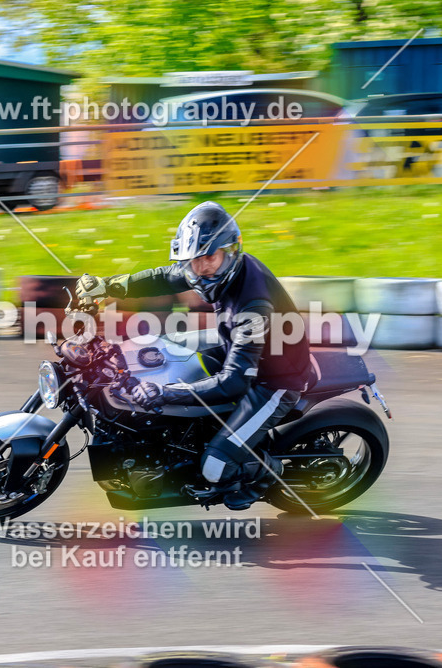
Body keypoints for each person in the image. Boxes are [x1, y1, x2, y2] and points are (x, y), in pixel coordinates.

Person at [75, 201, 317, 510]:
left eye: (209, 257)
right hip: (235, 344)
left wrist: (165, 393)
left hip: (274, 380)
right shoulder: (213, 269)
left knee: (215, 467)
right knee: (157, 349)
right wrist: (108, 286)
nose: (200, 268)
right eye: (193, 260)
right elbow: (166, 276)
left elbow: (233, 383)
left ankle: (265, 475)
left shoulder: (254, 307)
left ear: (230, 251)